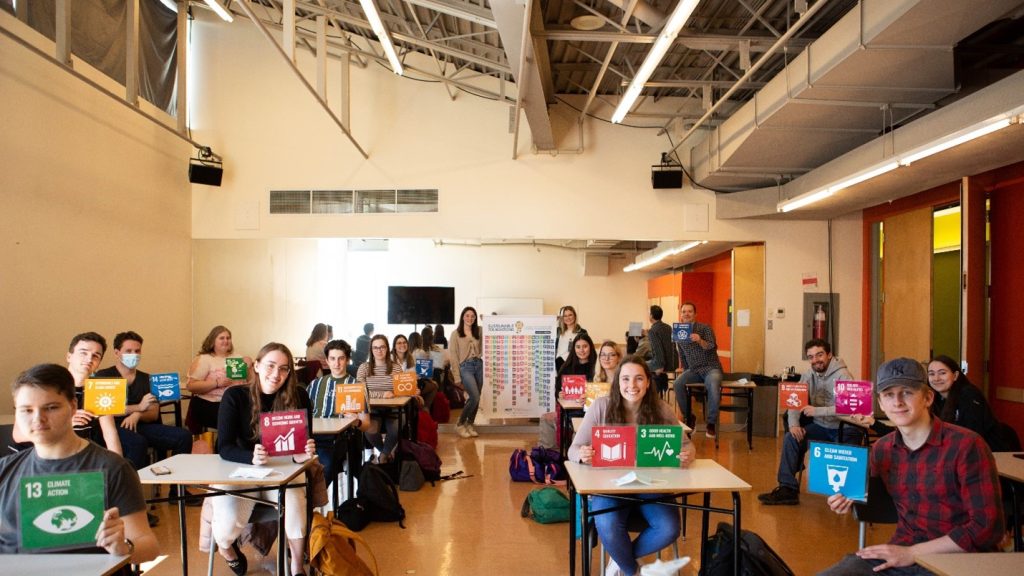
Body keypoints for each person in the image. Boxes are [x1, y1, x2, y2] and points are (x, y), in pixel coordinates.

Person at [818, 357, 1004, 576]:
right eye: (889, 395)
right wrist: (850, 498)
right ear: (880, 403)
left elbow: (987, 528)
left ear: (927, 397)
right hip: (902, 552)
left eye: (907, 392)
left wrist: (913, 553)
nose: (897, 402)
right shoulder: (882, 449)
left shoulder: (966, 445)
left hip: (958, 560)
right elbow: (879, 500)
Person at [0, 363, 159, 563]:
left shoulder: (112, 468)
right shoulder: (5, 469)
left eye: (51, 407)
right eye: (26, 410)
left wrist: (123, 547)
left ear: (73, 406)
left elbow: (148, 545)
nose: (38, 419)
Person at [568, 357, 696, 576]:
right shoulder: (601, 406)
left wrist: (686, 455)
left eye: (639, 379)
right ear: (618, 382)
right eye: (626, 379)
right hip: (609, 485)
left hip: (651, 485)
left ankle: (620, 560)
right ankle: (632, 570)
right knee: (607, 524)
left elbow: (688, 445)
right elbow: (573, 449)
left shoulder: (661, 409)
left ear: (648, 382)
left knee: (669, 528)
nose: (632, 385)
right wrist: (582, 454)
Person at [213, 343, 316, 576]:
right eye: (270, 366)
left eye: (283, 368)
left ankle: (297, 567)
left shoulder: (299, 395)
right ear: (257, 366)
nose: (276, 374)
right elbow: (224, 447)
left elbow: (306, 441)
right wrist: (251, 456)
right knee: (229, 523)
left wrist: (304, 452)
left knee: (296, 498)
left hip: (281, 472)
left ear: (289, 372)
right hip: (242, 471)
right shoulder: (235, 397)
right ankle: (227, 550)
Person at [758, 339, 860, 505]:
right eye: (811, 357)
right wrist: (794, 425)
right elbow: (794, 401)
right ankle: (787, 489)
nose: (815, 360)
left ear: (829, 355)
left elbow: (848, 408)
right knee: (792, 438)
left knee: (849, 458)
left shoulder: (844, 376)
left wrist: (817, 411)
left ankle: (849, 496)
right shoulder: (808, 375)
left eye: (819, 355)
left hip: (845, 428)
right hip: (821, 426)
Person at [94, 331, 192, 474]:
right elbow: (102, 409)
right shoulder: (103, 376)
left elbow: (153, 413)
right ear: (117, 352)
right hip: (111, 427)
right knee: (137, 442)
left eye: (137, 351)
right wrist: (138, 408)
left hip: (141, 426)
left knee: (184, 436)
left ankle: (177, 488)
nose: (134, 354)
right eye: (128, 351)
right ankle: (133, 488)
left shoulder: (147, 379)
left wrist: (137, 415)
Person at [307, 339, 369, 497]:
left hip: (339, 439)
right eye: (333, 359)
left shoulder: (356, 386)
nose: (337, 363)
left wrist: (357, 421)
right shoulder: (315, 384)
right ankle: (301, 501)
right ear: (326, 360)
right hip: (312, 438)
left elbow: (366, 424)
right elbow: (303, 414)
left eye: (341, 358)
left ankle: (310, 503)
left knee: (326, 465)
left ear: (347, 360)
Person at [926, 355, 1012, 451]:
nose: (936, 378)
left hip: (986, 453)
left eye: (942, 373)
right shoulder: (934, 398)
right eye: (931, 374)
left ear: (955, 376)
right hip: (956, 451)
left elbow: (971, 435)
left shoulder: (969, 395)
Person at [64, 332, 124, 457]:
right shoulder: (49, 387)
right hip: (49, 460)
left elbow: (110, 433)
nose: (89, 359)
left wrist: (120, 465)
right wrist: (63, 423)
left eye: (96, 356)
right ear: (69, 356)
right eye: (83, 353)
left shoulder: (98, 388)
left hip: (85, 456)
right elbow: (19, 435)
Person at [185, 325, 253, 434]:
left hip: (236, 402)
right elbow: (191, 386)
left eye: (228, 338)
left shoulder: (237, 357)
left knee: (254, 415)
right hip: (211, 404)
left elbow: (251, 382)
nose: (226, 341)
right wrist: (217, 383)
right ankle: (225, 447)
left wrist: (249, 366)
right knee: (237, 420)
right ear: (212, 341)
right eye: (222, 338)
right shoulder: (205, 359)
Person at [670, 302, 722, 438]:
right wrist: (684, 369)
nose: (686, 314)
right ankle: (690, 417)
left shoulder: (705, 328)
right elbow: (682, 354)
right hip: (694, 370)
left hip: (711, 368)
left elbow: (712, 347)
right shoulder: (678, 332)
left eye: (690, 311)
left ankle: (711, 423)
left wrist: (699, 340)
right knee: (677, 384)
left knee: (714, 383)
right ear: (681, 315)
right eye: (684, 312)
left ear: (695, 314)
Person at [356, 335, 402, 462]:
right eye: (375, 347)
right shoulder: (364, 368)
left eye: (382, 347)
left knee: (396, 430)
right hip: (372, 411)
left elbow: (401, 390)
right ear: (371, 350)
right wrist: (382, 395)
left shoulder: (396, 368)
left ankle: (383, 456)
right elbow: (360, 391)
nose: (379, 350)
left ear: (387, 349)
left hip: (393, 410)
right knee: (369, 431)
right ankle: (385, 452)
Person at [450, 306, 484, 439]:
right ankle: (460, 423)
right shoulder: (456, 334)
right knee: (474, 396)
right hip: (465, 367)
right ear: (463, 317)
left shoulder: (479, 331)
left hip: (479, 365)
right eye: (467, 315)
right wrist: (457, 377)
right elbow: (453, 356)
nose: (470, 318)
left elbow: (493, 332)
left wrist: (485, 321)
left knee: (477, 398)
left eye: (473, 316)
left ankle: (470, 424)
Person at [646, 305, 677, 399]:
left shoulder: (652, 331)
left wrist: (660, 367)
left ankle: (653, 393)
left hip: (662, 364)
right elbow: (673, 346)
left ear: (651, 316)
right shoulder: (668, 327)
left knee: (640, 365)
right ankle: (663, 384)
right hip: (673, 363)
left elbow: (658, 350)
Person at [555, 306, 587, 372]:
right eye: (565, 316)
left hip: (575, 364)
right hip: (559, 363)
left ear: (575, 316)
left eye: (570, 315)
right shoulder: (558, 331)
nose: (568, 318)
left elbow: (586, 349)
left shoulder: (582, 332)